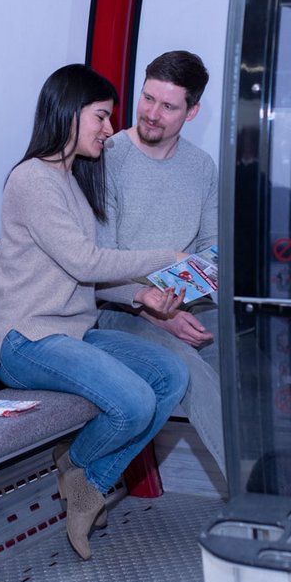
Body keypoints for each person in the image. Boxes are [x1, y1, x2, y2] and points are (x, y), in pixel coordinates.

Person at [0, 64, 190, 560]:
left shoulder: (70, 180)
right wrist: (164, 259)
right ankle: (84, 475)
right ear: (69, 113)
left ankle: (83, 473)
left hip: (72, 333)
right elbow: (85, 261)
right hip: (26, 341)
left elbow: (83, 275)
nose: (108, 128)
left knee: (170, 375)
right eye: (101, 116)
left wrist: (140, 297)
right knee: (134, 402)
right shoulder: (32, 180)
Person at [94, 50, 225, 471]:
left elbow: (211, 249)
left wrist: (176, 304)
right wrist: (158, 314)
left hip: (184, 301)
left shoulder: (200, 167)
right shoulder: (106, 157)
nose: (152, 114)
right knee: (191, 372)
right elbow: (97, 267)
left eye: (168, 106)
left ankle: (284, 477)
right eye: (148, 98)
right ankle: (253, 492)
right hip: (120, 308)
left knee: (249, 355)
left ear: (192, 112)